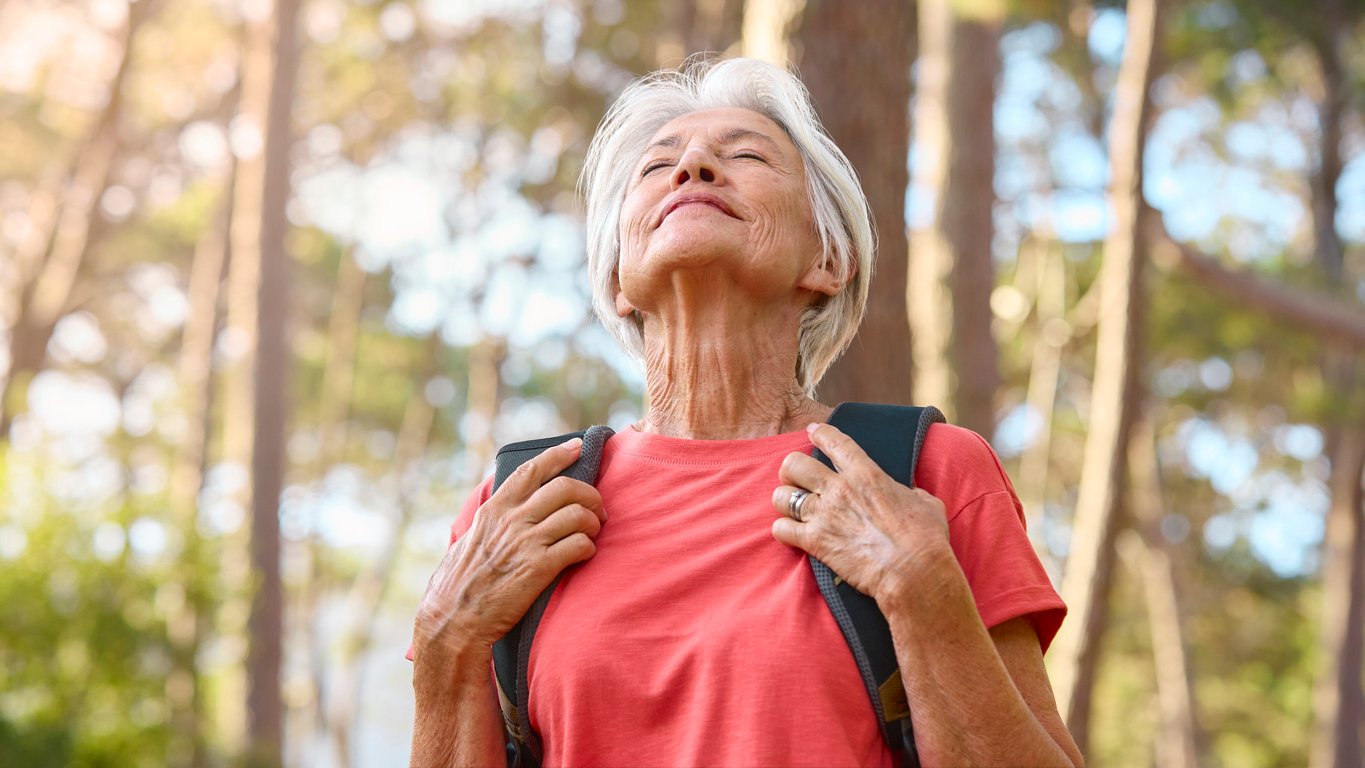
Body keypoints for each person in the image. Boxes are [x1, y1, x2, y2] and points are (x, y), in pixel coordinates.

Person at [408, 57, 1084, 768]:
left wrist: (922, 588)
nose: (691, 165)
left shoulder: (925, 472)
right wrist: (444, 642)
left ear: (827, 259)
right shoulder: (519, 503)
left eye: (745, 155)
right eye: (656, 165)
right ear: (616, 282)